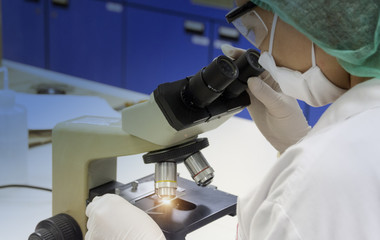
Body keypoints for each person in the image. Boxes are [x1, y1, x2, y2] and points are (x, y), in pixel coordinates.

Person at [85, 0, 380, 239]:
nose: (262, 53)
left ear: (323, 17)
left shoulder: (314, 184)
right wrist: (297, 143)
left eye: (254, 26)